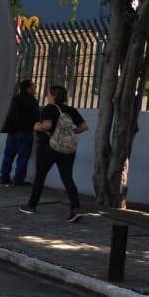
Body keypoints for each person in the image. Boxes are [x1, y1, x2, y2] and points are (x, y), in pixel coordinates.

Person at [20, 84, 87, 222]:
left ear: (54, 96)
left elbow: (47, 126)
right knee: (67, 177)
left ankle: (31, 206)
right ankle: (76, 208)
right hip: (67, 149)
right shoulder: (71, 110)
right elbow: (84, 127)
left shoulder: (49, 108)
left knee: (40, 176)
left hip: (48, 148)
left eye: (49, 94)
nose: (47, 96)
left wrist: (36, 126)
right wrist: (68, 134)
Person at [0, 80, 38, 185]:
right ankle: (18, 179)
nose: (35, 88)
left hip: (12, 131)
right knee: (23, 157)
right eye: (33, 86)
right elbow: (35, 117)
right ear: (28, 88)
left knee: (8, 155)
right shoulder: (32, 101)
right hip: (25, 132)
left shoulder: (15, 99)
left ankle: (4, 177)